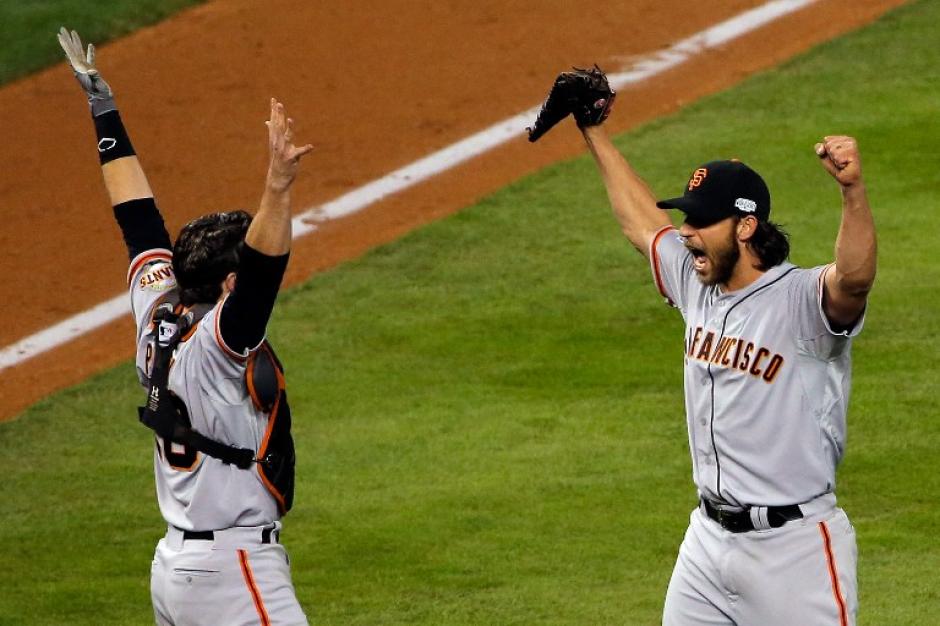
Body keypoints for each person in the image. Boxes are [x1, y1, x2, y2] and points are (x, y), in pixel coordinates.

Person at [530, 71, 875, 625]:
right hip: (707, 545)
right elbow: (643, 225)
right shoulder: (698, 284)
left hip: (793, 553)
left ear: (745, 227)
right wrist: (593, 130)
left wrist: (851, 192)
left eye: (702, 220)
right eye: (687, 216)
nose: (687, 231)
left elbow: (854, 280)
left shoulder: (800, 302)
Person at [58, 28, 313, 625]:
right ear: (228, 284)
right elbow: (263, 274)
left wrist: (103, 110)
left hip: (174, 570)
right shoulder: (220, 345)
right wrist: (277, 186)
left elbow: (138, 221)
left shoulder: (157, 313)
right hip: (234, 575)